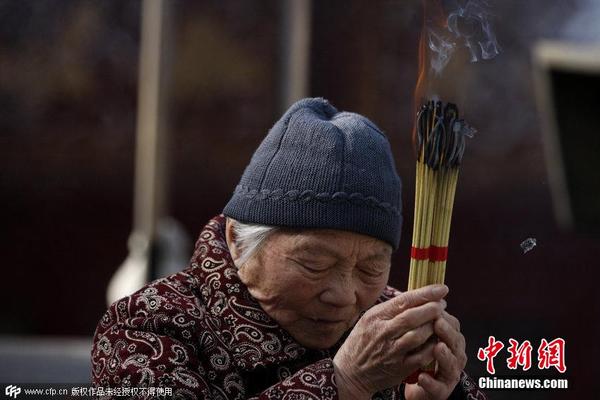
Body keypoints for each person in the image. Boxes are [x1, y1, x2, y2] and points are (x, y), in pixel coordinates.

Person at [91, 98, 487, 399]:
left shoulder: (392, 330)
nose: (343, 295)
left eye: (370, 269)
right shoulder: (146, 326)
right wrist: (344, 383)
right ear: (238, 241)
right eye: (314, 264)